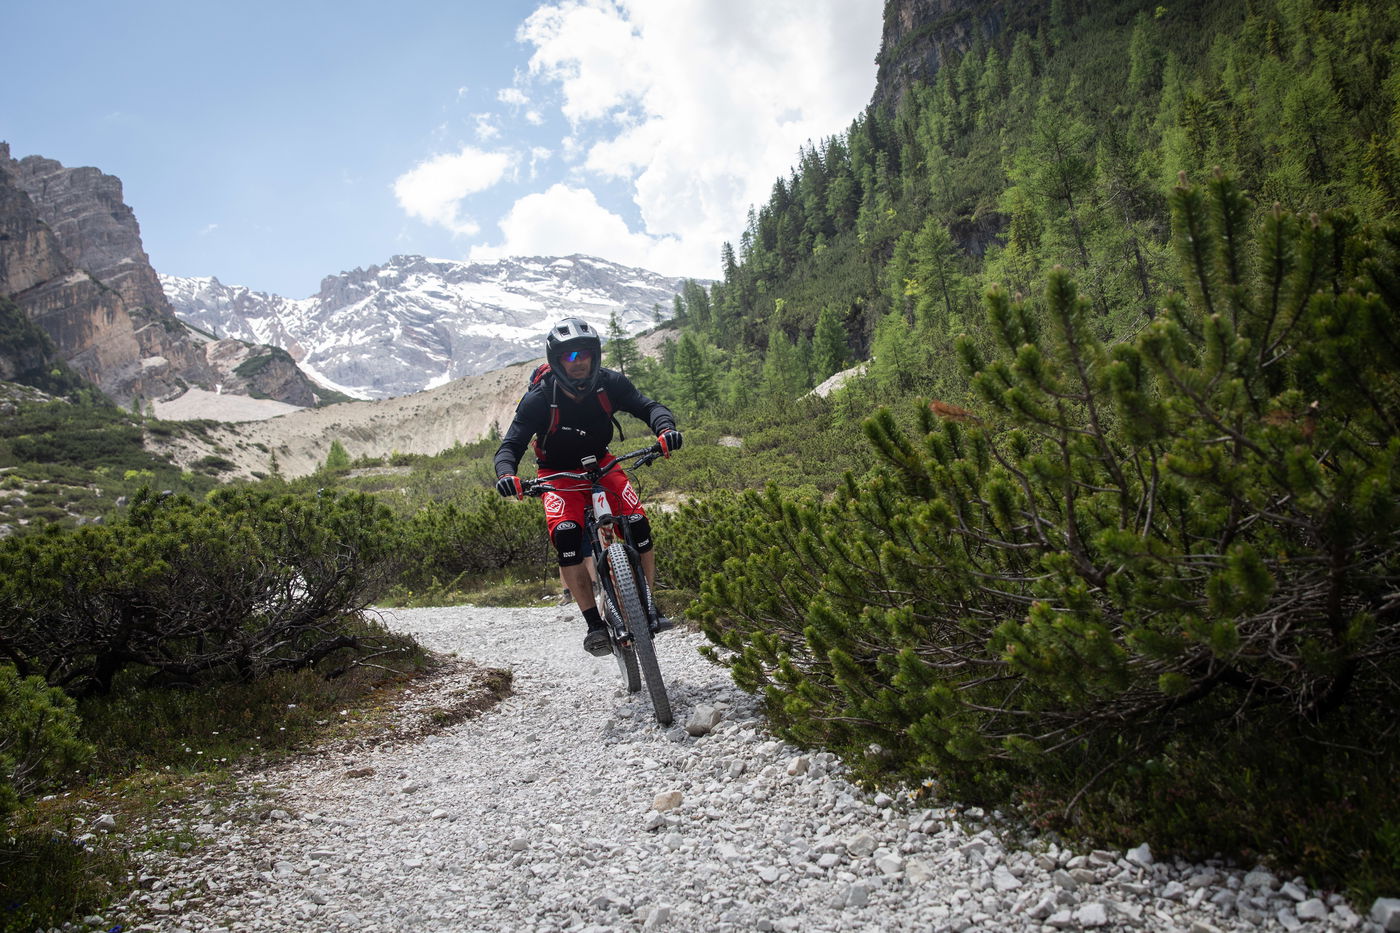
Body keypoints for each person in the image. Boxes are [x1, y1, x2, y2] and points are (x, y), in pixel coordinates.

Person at [494, 318, 682, 656]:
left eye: (584, 354)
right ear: (556, 361)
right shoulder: (540, 398)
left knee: (638, 524)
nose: (578, 361)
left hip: (603, 462)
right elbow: (511, 444)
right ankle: (594, 625)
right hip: (556, 474)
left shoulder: (610, 383)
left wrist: (665, 430)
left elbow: (648, 406)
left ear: (594, 356)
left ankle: (650, 604)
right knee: (566, 536)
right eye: (568, 356)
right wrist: (507, 475)